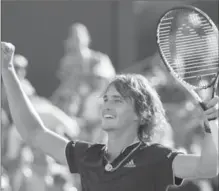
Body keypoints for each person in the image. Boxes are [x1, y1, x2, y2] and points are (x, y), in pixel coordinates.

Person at [1, 42, 218, 191]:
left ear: (141, 114)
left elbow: (206, 168)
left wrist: (212, 128)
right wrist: (7, 69)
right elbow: (33, 133)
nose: (107, 105)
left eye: (118, 100)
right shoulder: (88, 156)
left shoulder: (155, 157)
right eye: (106, 99)